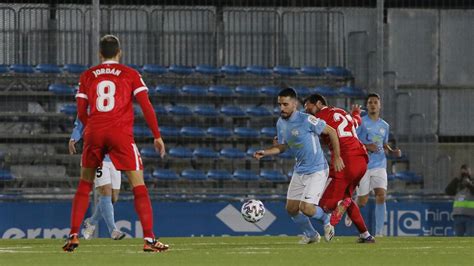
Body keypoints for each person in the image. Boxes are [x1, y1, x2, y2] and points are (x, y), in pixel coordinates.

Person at [62, 35, 169, 253]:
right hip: (120, 134)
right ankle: (149, 240)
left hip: (94, 132)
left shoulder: (87, 75)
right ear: (119, 52)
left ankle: (73, 235)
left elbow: (82, 112)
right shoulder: (130, 74)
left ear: (100, 54)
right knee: (138, 185)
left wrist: (84, 132)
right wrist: (156, 135)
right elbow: (146, 105)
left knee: (84, 185)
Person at [253, 88, 343, 244]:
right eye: (280, 104)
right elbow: (282, 146)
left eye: (285, 104)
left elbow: (333, 131)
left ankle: (326, 218)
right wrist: (265, 152)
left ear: (294, 104)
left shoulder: (307, 120)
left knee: (306, 208)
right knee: (291, 208)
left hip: (317, 170)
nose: (281, 108)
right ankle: (312, 235)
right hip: (300, 170)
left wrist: (337, 157)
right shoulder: (280, 123)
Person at [304, 93, 375, 243]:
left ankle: (338, 204)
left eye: (308, 106)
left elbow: (307, 133)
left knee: (323, 205)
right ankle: (365, 235)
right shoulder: (342, 113)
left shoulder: (319, 118)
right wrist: (355, 112)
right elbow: (356, 122)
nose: (306, 110)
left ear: (317, 103)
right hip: (361, 160)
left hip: (344, 161)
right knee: (346, 198)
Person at [69, 117, 125, 240]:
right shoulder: (88, 104)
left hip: (115, 155)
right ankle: (113, 230)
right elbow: (80, 123)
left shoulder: (116, 103)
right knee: (105, 192)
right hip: (96, 155)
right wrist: (74, 138)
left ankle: (91, 222)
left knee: (113, 198)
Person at [355, 93, 401, 237]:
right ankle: (351, 210)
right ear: (367, 106)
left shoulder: (385, 125)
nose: (373, 104)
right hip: (363, 165)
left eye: (375, 102)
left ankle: (379, 232)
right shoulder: (360, 122)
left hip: (380, 165)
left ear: (380, 105)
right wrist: (367, 146)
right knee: (362, 201)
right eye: (370, 102)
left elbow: (383, 144)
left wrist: (393, 151)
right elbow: (352, 141)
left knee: (381, 195)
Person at [445, 164, 474, 236]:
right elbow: (448, 191)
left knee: (470, 239)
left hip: (471, 216)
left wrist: (469, 184)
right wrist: (457, 179)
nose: (465, 174)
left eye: (466, 172)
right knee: (458, 240)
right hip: (458, 216)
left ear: (470, 172)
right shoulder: (457, 183)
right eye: (463, 173)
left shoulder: (472, 182)